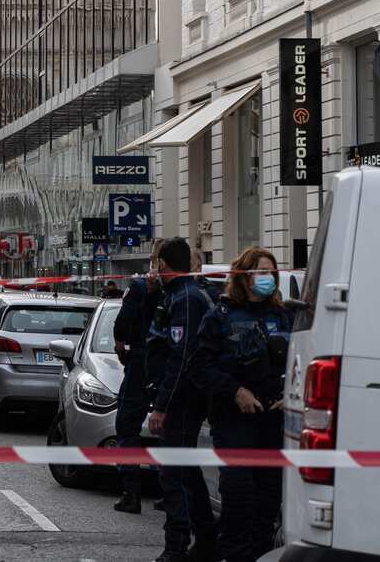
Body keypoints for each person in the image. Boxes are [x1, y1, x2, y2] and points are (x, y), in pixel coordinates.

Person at [190, 247, 292, 562]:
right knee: (239, 502)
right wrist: (234, 391)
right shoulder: (220, 316)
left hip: (272, 424)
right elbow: (199, 367)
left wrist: (290, 392)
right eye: (261, 272)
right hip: (234, 423)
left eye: (272, 273)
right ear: (244, 277)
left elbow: (301, 362)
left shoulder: (283, 316)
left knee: (267, 505)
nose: (268, 279)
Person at [145, 237, 217, 562]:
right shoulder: (175, 295)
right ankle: (206, 539)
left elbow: (181, 357)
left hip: (184, 400)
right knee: (186, 472)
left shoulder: (186, 299)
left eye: (157, 264)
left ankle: (176, 546)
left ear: (163, 265)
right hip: (181, 397)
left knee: (173, 474)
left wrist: (162, 405)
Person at [111, 255, 162, 514]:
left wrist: (120, 342)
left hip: (142, 361)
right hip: (174, 365)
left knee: (127, 424)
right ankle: (170, 489)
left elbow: (123, 322)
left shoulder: (141, 286)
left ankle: (131, 491)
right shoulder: (191, 291)